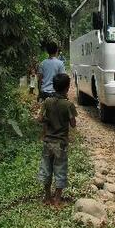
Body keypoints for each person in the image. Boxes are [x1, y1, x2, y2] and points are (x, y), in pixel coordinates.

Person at [37, 73, 77, 205]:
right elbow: (73, 124)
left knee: (46, 168)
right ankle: (58, 199)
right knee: (60, 169)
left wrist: (49, 120)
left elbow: (40, 119)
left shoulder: (47, 101)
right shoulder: (68, 105)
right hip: (61, 143)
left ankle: (47, 197)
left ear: (53, 87)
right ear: (67, 88)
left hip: (48, 142)